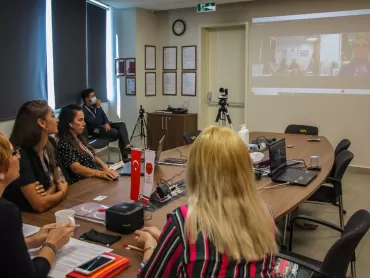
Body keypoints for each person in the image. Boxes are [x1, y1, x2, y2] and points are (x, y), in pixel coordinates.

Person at [134, 126, 277, 277]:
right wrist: (167, 240)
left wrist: (150, 247)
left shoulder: (185, 221)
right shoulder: (265, 213)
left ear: (196, 171)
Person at [0, 132, 75, 278]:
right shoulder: (6, 212)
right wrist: (52, 243)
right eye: (14, 153)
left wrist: (29, 241)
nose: (19, 157)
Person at [3, 100, 68, 212]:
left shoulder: (50, 143)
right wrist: (62, 192)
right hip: (25, 218)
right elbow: (39, 205)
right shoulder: (20, 155)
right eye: (53, 116)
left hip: (49, 210)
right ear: (42, 123)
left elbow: (59, 180)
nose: (57, 120)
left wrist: (50, 190)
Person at [57, 104, 118, 184]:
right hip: (84, 183)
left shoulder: (78, 138)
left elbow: (92, 155)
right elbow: (76, 168)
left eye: (83, 120)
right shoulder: (64, 143)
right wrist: (99, 173)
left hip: (95, 177)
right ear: (69, 123)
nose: (84, 123)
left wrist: (104, 167)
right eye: (80, 120)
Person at [81, 88, 132, 160]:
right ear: (86, 99)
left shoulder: (96, 106)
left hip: (104, 126)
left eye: (94, 95)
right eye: (92, 96)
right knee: (117, 132)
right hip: (95, 130)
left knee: (121, 124)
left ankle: (127, 145)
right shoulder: (84, 111)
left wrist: (107, 123)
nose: (95, 98)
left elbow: (104, 116)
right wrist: (98, 108)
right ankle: (125, 158)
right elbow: (96, 123)